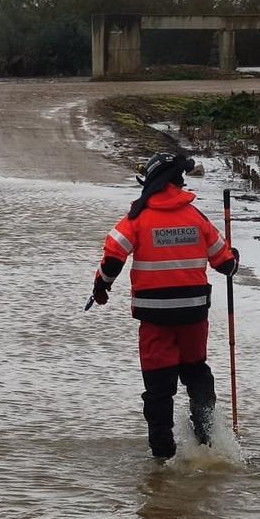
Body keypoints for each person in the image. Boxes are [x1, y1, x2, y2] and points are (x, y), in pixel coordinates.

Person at [90, 153, 238, 459]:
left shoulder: (138, 217)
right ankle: (207, 441)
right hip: (194, 316)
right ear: (176, 182)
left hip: (155, 319)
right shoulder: (196, 217)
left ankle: (161, 457)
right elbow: (225, 265)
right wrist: (234, 258)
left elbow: (113, 258)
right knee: (197, 373)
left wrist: (101, 288)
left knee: (159, 389)